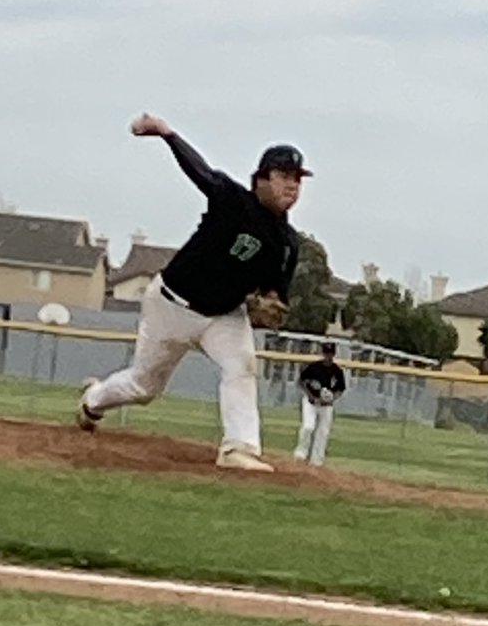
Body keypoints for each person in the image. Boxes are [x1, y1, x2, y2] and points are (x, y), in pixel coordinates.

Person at [77, 113, 310, 472]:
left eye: (296, 178)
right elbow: (199, 170)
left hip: (223, 316)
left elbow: (276, 295)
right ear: (261, 179)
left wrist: (271, 306)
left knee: (243, 365)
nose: (291, 184)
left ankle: (239, 448)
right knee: (143, 387)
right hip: (171, 304)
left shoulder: (287, 244)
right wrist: (167, 134)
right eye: (282, 175)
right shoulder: (233, 200)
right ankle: (93, 401)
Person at [294, 341, 346, 467]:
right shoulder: (314, 367)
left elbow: (340, 389)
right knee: (308, 427)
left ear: (334, 354)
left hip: (326, 406)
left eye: (331, 353)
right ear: (323, 353)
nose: (328, 356)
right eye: (326, 353)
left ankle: (317, 460)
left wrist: (332, 399)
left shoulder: (337, 371)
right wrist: (311, 396)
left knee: (323, 432)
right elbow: (301, 382)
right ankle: (301, 454)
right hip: (311, 403)